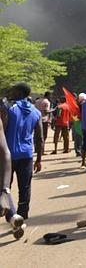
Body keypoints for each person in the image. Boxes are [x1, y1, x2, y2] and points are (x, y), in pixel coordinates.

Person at [2, 83, 43, 239]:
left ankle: (11, 215)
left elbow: (3, 131)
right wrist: (39, 159)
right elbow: (40, 138)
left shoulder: (9, 109)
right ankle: (22, 216)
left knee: (5, 186)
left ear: (18, 92)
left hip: (8, 156)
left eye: (12, 89)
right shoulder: (36, 112)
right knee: (25, 187)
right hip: (27, 155)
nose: (10, 91)